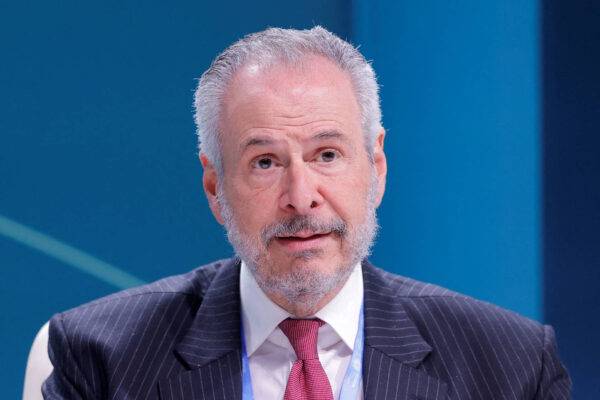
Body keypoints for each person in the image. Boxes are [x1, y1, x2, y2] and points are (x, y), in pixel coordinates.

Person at [42, 26, 571, 400]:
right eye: (265, 162)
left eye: (327, 155)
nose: (301, 196)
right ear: (214, 188)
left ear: (376, 168)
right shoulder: (102, 358)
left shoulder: (510, 365)